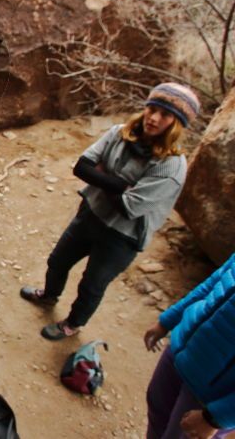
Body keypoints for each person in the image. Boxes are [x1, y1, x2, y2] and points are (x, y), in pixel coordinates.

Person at [20, 83, 201, 340]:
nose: (154, 118)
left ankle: (73, 324)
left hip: (122, 237)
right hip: (91, 213)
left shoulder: (171, 166)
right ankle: (49, 296)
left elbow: (129, 207)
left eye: (165, 115)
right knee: (58, 260)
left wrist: (102, 174)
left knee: (92, 285)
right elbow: (81, 168)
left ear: (176, 124)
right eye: (152, 109)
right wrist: (119, 184)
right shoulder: (120, 133)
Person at [143, 252, 235, 439]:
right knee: (157, 412)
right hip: (182, 349)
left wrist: (216, 419)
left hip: (210, 393)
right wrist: (168, 320)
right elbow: (213, 283)